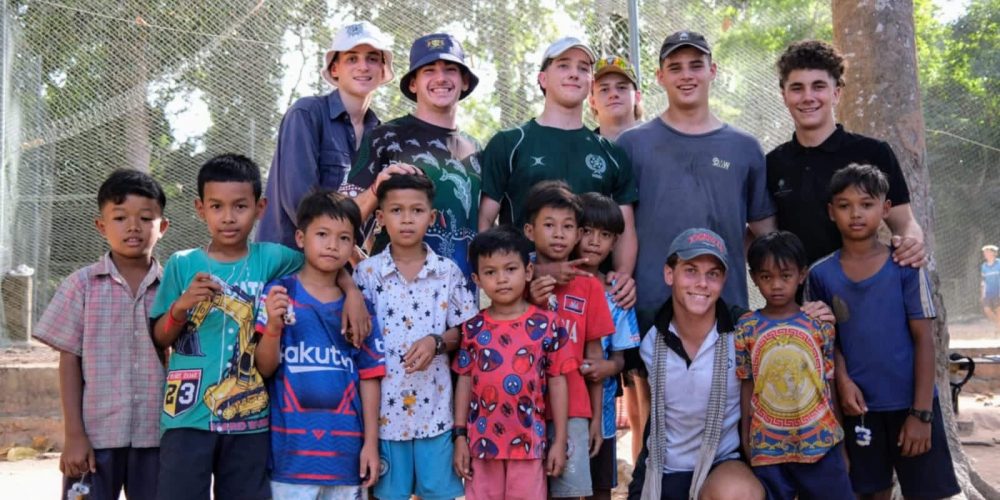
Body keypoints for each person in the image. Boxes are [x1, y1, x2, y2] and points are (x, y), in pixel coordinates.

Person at [148, 154, 366, 499]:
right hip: (186, 418)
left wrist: (351, 289)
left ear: (260, 207)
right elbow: (160, 337)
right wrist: (182, 306)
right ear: (200, 208)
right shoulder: (183, 263)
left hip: (249, 421)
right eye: (216, 206)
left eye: (240, 206)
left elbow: (323, 259)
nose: (229, 217)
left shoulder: (273, 258)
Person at [806, 164, 959, 499]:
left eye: (866, 203)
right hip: (859, 411)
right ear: (832, 212)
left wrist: (921, 414)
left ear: (885, 209)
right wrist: (843, 381)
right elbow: (825, 343)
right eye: (844, 206)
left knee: (928, 492)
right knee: (871, 492)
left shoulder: (905, 266)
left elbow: (924, 340)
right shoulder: (820, 275)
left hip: (911, 405)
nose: (855, 214)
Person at [616, 30, 776, 327]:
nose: (686, 75)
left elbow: (766, 235)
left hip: (725, 310)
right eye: (675, 68)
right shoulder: (632, 145)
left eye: (696, 65)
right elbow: (616, 228)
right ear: (660, 76)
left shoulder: (744, 148)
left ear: (712, 70)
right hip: (650, 311)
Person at [34, 169, 169, 500]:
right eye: (120, 217)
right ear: (101, 225)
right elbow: (69, 362)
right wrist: (74, 435)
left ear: (162, 227)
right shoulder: (81, 285)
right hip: (95, 438)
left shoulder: (173, 287)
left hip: (157, 436)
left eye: (145, 218)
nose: (133, 226)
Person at [478, 36, 638, 308]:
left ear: (590, 85)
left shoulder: (612, 153)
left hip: (592, 301)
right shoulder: (509, 142)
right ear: (543, 78)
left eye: (583, 68)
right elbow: (484, 222)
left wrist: (623, 276)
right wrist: (528, 273)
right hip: (525, 300)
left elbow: (625, 228)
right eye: (564, 65)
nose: (575, 73)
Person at [352, 174, 477, 500]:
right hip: (384, 420)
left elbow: (468, 332)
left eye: (417, 210)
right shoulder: (367, 274)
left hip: (435, 415)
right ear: (380, 218)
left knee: (438, 493)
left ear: (431, 217)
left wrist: (436, 342)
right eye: (396, 210)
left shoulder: (447, 271)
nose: (407, 219)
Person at [254, 190, 385, 499]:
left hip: (346, 457)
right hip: (291, 461)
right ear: (301, 238)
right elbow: (264, 367)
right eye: (322, 234)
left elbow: (370, 375)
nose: (332, 245)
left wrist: (370, 443)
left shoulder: (360, 307)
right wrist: (273, 326)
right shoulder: (279, 292)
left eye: (343, 238)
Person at [627, 228, 764, 500]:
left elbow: (784, 324)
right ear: (669, 274)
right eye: (691, 270)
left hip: (720, 464)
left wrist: (811, 315)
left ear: (723, 280)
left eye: (712, 274)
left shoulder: (743, 329)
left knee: (741, 493)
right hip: (662, 470)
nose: (702, 283)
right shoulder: (646, 330)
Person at [767, 39, 925, 267]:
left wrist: (911, 243)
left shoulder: (873, 152)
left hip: (865, 291)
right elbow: (765, 236)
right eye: (797, 88)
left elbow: (905, 223)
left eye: (819, 86)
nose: (808, 97)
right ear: (784, 96)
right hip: (799, 299)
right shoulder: (772, 164)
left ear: (836, 93)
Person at [341, 33, 481, 285]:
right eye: (429, 70)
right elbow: (339, 218)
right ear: (413, 83)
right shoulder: (385, 137)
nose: (441, 78)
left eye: (450, 69)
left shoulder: (477, 150)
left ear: (465, 82)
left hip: (460, 299)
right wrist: (362, 266)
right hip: (393, 300)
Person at [452, 226, 574, 499]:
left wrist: (560, 441)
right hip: (481, 447)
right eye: (490, 272)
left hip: (529, 445)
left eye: (510, 269)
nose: (502, 279)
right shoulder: (472, 328)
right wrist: (459, 436)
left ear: (528, 272)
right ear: (477, 279)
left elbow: (557, 380)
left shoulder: (546, 324)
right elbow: (464, 380)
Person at [735, 231, 852, 500]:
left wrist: (840, 443)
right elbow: (747, 383)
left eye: (785, 276)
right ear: (754, 278)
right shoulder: (746, 327)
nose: (776, 285)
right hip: (769, 447)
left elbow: (829, 381)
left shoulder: (819, 324)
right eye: (766, 277)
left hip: (821, 444)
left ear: (801, 275)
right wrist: (746, 436)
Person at [258, 21, 394, 249]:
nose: (363, 66)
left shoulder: (383, 137)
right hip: (289, 266)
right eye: (352, 58)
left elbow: (369, 221)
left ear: (382, 70)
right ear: (334, 69)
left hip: (339, 269)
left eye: (372, 58)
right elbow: (301, 206)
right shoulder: (306, 114)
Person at [521, 181, 614, 499]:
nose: (559, 234)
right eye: (549, 225)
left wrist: (596, 419)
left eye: (568, 226)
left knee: (569, 493)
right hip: (522, 407)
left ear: (577, 234)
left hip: (575, 407)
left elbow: (595, 357)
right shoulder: (514, 279)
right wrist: (531, 298)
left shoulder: (590, 287)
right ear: (530, 231)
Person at [574, 193, 641, 500]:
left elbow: (621, 358)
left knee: (599, 488)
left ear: (615, 243)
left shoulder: (617, 295)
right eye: (587, 231)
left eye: (605, 235)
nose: (594, 241)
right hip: (556, 412)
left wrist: (607, 367)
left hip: (602, 414)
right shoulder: (552, 283)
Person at [590, 55, 643, 141]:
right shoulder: (582, 150)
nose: (613, 94)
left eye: (621, 87)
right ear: (592, 102)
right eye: (604, 89)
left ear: (637, 96)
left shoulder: (659, 141)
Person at [981, 244, 1000, 334]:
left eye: (987, 252)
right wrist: (982, 294)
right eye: (985, 253)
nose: (985, 254)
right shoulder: (984, 266)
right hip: (988, 292)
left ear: (993, 253)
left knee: (998, 310)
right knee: (987, 310)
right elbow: (983, 281)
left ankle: (998, 328)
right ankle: (998, 324)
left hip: (998, 291)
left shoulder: (999, 263)